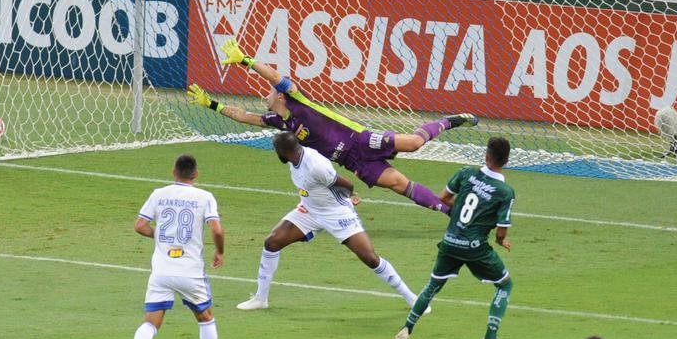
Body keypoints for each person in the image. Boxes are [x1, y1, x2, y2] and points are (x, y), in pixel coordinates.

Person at [186, 38, 477, 215]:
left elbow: (274, 75)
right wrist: (212, 104)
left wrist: (246, 61)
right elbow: (243, 116)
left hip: (360, 140)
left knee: (414, 144)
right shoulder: (279, 121)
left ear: (279, 96)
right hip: (352, 162)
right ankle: (450, 213)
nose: (265, 95)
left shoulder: (297, 99)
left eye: (269, 93)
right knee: (400, 185)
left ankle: (452, 120)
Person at [235, 131, 422, 312]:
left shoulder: (315, 165)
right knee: (272, 242)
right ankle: (260, 299)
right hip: (309, 210)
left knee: (370, 258)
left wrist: (351, 196)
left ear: (284, 152)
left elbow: (346, 183)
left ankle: (412, 298)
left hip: (336, 213)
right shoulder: (295, 158)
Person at [391, 136, 517, 339]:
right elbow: (501, 231)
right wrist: (501, 241)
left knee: (432, 286)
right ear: (506, 161)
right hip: (475, 247)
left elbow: (444, 198)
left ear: (486, 156)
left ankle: (406, 329)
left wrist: (459, 214)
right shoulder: (505, 192)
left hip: (450, 241)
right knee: (505, 285)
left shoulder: (465, 173)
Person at [120, 154, 230, 339]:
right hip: (189, 271)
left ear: (173, 172)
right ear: (196, 174)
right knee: (206, 318)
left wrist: (159, 236)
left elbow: (140, 225)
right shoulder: (204, 197)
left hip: (161, 270)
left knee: (151, 321)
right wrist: (219, 251)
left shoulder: (159, 194)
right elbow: (217, 230)